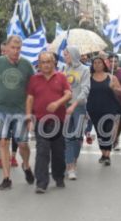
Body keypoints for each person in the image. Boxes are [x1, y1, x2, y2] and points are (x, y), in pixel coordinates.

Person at [0, 35, 35, 190]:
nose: (16, 51)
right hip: (1, 109)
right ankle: (6, 177)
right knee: (3, 142)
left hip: (20, 110)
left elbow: (32, 90)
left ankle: (26, 165)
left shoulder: (27, 65)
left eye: (18, 48)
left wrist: (30, 112)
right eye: (13, 48)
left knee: (22, 144)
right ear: (6, 48)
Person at [26, 51, 71, 193]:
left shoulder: (61, 77)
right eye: (43, 62)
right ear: (39, 64)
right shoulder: (34, 79)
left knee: (58, 151)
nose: (46, 65)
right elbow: (30, 98)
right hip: (41, 120)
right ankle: (41, 183)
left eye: (48, 62)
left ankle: (58, 177)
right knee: (42, 151)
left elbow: (69, 94)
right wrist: (28, 118)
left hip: (58, 120)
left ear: (54, 63)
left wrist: (58, 103)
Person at [87, 56, 121, 166]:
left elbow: (120, 92)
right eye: (95, 63)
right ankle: (103, 153)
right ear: (92, 65)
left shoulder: (111, 77)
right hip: (94, 109)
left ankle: (107, 155)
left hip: (110, 108)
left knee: (108, 131)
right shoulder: (89, 77)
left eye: (99, 62)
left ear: (104, 64)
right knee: (100, 132)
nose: (97, 64)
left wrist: (114, 88)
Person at [63, 46, 90, 180]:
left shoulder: (84, 70)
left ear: (73, 55)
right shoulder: (64, 69)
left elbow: (85, 90)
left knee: (78, 137)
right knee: (68, 137)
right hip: (66, 106)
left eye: (66, 55)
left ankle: (73, 160)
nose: (64, 57)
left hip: (79, 106)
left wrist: (74, 104)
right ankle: (70, 166)